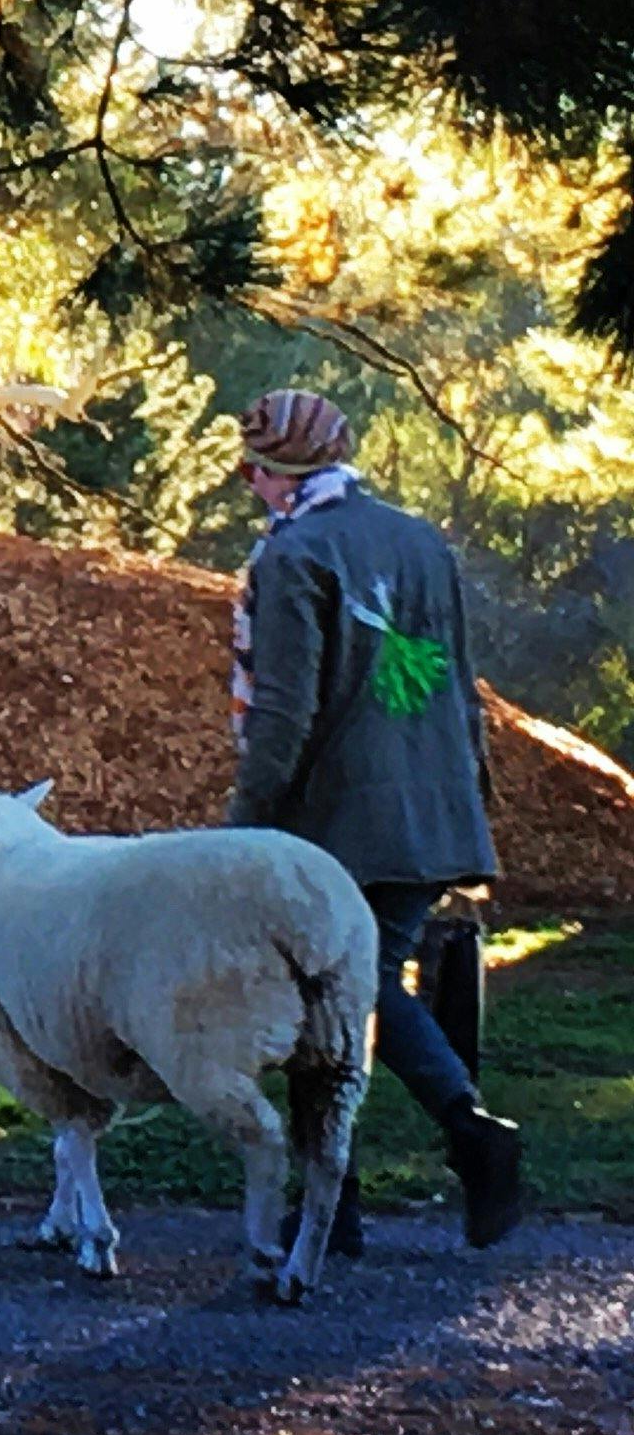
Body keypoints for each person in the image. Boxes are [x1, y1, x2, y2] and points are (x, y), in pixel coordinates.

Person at [226, 386, 522, 1250]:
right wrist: (474, 801)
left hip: (340, 824)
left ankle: (463, 1135)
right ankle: (340, 1202)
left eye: (254, 469)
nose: (251, 483)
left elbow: (283, 712)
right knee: (349, 990)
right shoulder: (421, 540)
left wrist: (245, 823)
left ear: (276, 472)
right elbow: (455, 682)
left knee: (336, 990)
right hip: (433, 808)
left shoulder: (292, 557)